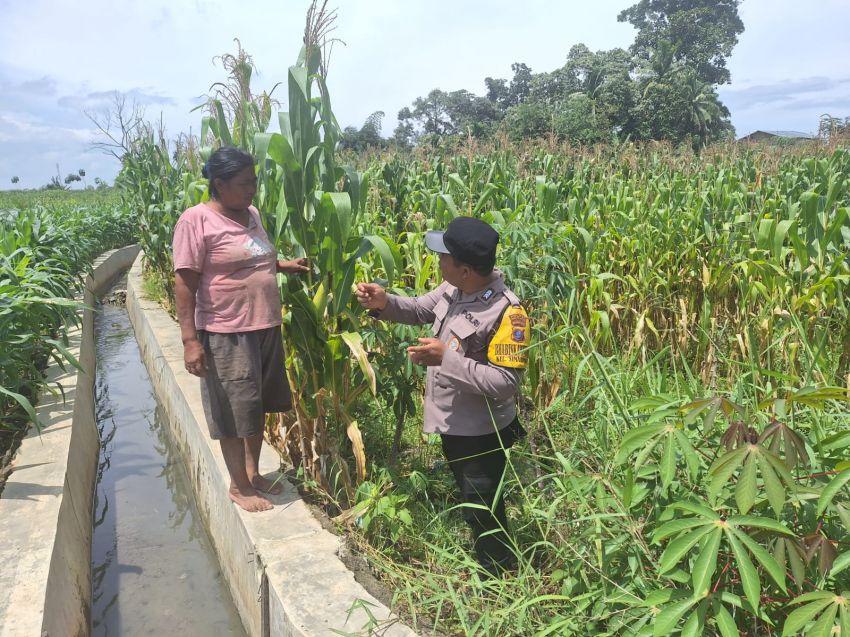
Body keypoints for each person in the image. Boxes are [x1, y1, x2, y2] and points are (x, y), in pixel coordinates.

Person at [355, 217, 530, 575]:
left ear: (465, 269)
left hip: (480, 432)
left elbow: (505, 382)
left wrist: (445, 359)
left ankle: (499, 575)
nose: (438, 261)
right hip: (454, 423)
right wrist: (384, 302)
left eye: (443, 257)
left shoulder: (508, 313)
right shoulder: (453, 289)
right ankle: (493, 565)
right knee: (472, 498)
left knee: (482, 506)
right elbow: (420, 307)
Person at [172, 146, 309, 513]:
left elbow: (251, 254)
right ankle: (238, 486)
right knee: (232, 411)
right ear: (220, 183)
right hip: (226, 331)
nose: (253, 189)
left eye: (255, 181)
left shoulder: (251, 214)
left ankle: (253, 472)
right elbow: (185, 282)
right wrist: (189, 340)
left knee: (257, 406)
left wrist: (282, 265)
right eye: (245, 183)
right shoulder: (196, 220)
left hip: (265, 325)